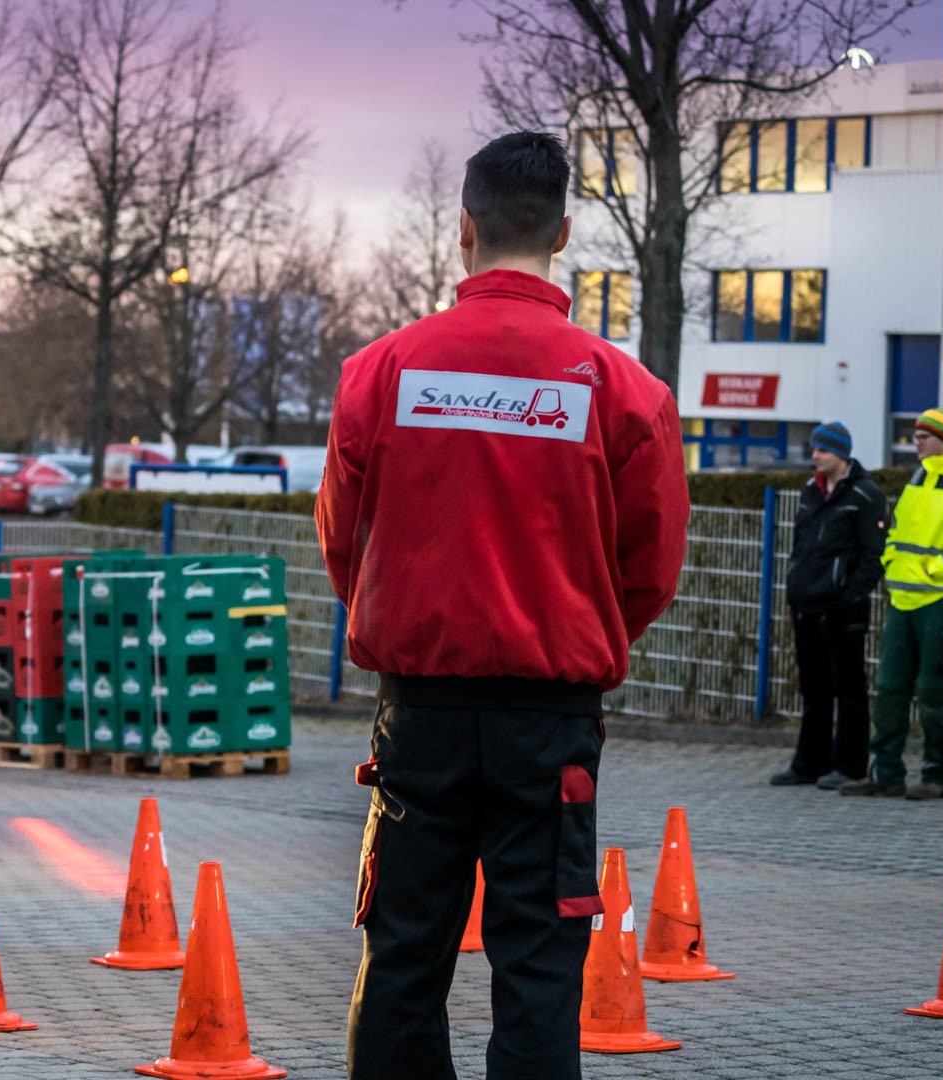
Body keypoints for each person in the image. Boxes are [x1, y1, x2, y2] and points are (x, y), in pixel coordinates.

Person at [317, 132, 689, 1080]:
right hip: (549, 728)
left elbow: (344, 541)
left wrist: (408, 614)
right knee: (537, 966)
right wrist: (571, 625)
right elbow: (648, 569)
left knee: (403, 957)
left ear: (463, 232)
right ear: (562, 233)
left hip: (421, 717)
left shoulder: (382, 374)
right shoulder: (623, 390)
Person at [843, 408, 943, 800]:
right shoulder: (919, 478)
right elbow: (899, 531)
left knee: (934, 690)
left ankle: (938, 774)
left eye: (922, 437)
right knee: (890, 687)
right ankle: (887, 773)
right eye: (914, 437)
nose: (916, 444)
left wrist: (935, 568)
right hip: (905, 598)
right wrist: (893, 562)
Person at [772, 420, 888, 790]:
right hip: (806, 605)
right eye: (814, 449)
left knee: (849, 688)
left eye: (822, 449)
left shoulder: (866, 496)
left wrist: (848, 597)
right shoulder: (810, 491)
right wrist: (795, 585)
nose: (815, 456)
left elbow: (874, 556)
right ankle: (809, 762)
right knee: (814, 688)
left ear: (841, 453)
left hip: (842, 609)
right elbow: (802, 544)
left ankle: (850, 764)